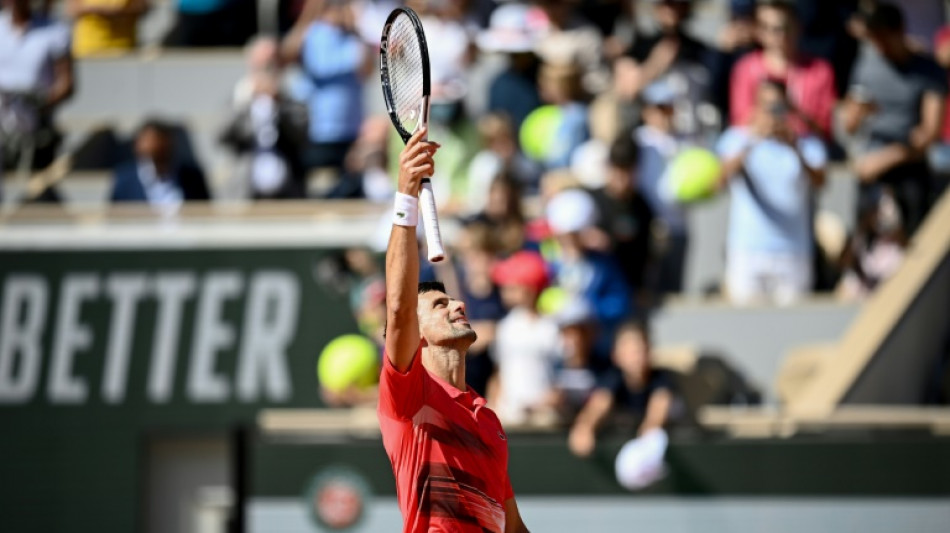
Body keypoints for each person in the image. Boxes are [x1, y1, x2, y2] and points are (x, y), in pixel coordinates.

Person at [379, 129, 530, 533]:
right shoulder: (408, 399)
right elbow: (398, 306)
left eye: (453, 300)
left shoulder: (488, 420)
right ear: (418, 333)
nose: (458, 304)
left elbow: (512, 526)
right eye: (439, 304)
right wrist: (406, 195)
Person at [717, 80, 826, 306]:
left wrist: (795, 147)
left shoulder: (807, 144)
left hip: (793, 252)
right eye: (767, 106)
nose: (773, 114)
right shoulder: (737, 139)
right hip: (747, 251)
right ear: (756, 106)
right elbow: (719, 180)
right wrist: (753, 140)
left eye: (778, 107)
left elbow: (820, 182)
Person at [842, 2, 947, 236]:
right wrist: (855, 116)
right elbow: (850, 124)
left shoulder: (928, 71)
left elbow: (929, 133)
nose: (879, 47)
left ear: (899, 31)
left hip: (908, 170)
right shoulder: (867, 67)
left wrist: (886, 158)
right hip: (871, 171)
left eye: (883, 38)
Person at [730, 0, 837, 138]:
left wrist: (794, 113)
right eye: (769, 28)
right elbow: (739, 122)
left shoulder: (820, 71)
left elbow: (825, 128)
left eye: (784, 27)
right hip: (757, 139)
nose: (779, 36)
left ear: (798, 27)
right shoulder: (745, 68)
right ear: (758, 31)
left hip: (803, 143)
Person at [568, 320, 675, 458]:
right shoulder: (612, 379)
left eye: (640, 351)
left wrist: (648, 434)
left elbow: (658, 410)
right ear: (616, 355)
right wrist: (585, 427)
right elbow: (598, 405)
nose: (636, 358)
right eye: (630, 352)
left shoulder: (661, 379)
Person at [0, 0, 74, 191]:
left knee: (39, 189)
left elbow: (67, 84)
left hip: (37, 127)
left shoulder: (56, 30)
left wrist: (37, 105)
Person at [490, 250, 562, 426]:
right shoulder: (506, 327)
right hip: (508, 414)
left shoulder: (551, 327)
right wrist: (493, 406)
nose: (505, 292)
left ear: (531, 290)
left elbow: (562, 374)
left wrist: (551, 400)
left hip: (544, 415)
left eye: (513, 287)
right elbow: (499, 372)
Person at [111, 119, 211, 206]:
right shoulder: (125, 178)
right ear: (137, 145)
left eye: (160, 141)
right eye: (149, 141)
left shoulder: (191, 177)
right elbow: (114, 215)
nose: (156, 146)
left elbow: (206, 212)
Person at [67, 0, 149, 57]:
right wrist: (98, 10)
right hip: (88, 48)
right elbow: (72, 9)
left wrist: (118, 12)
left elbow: (143, 7)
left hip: (124, 47)